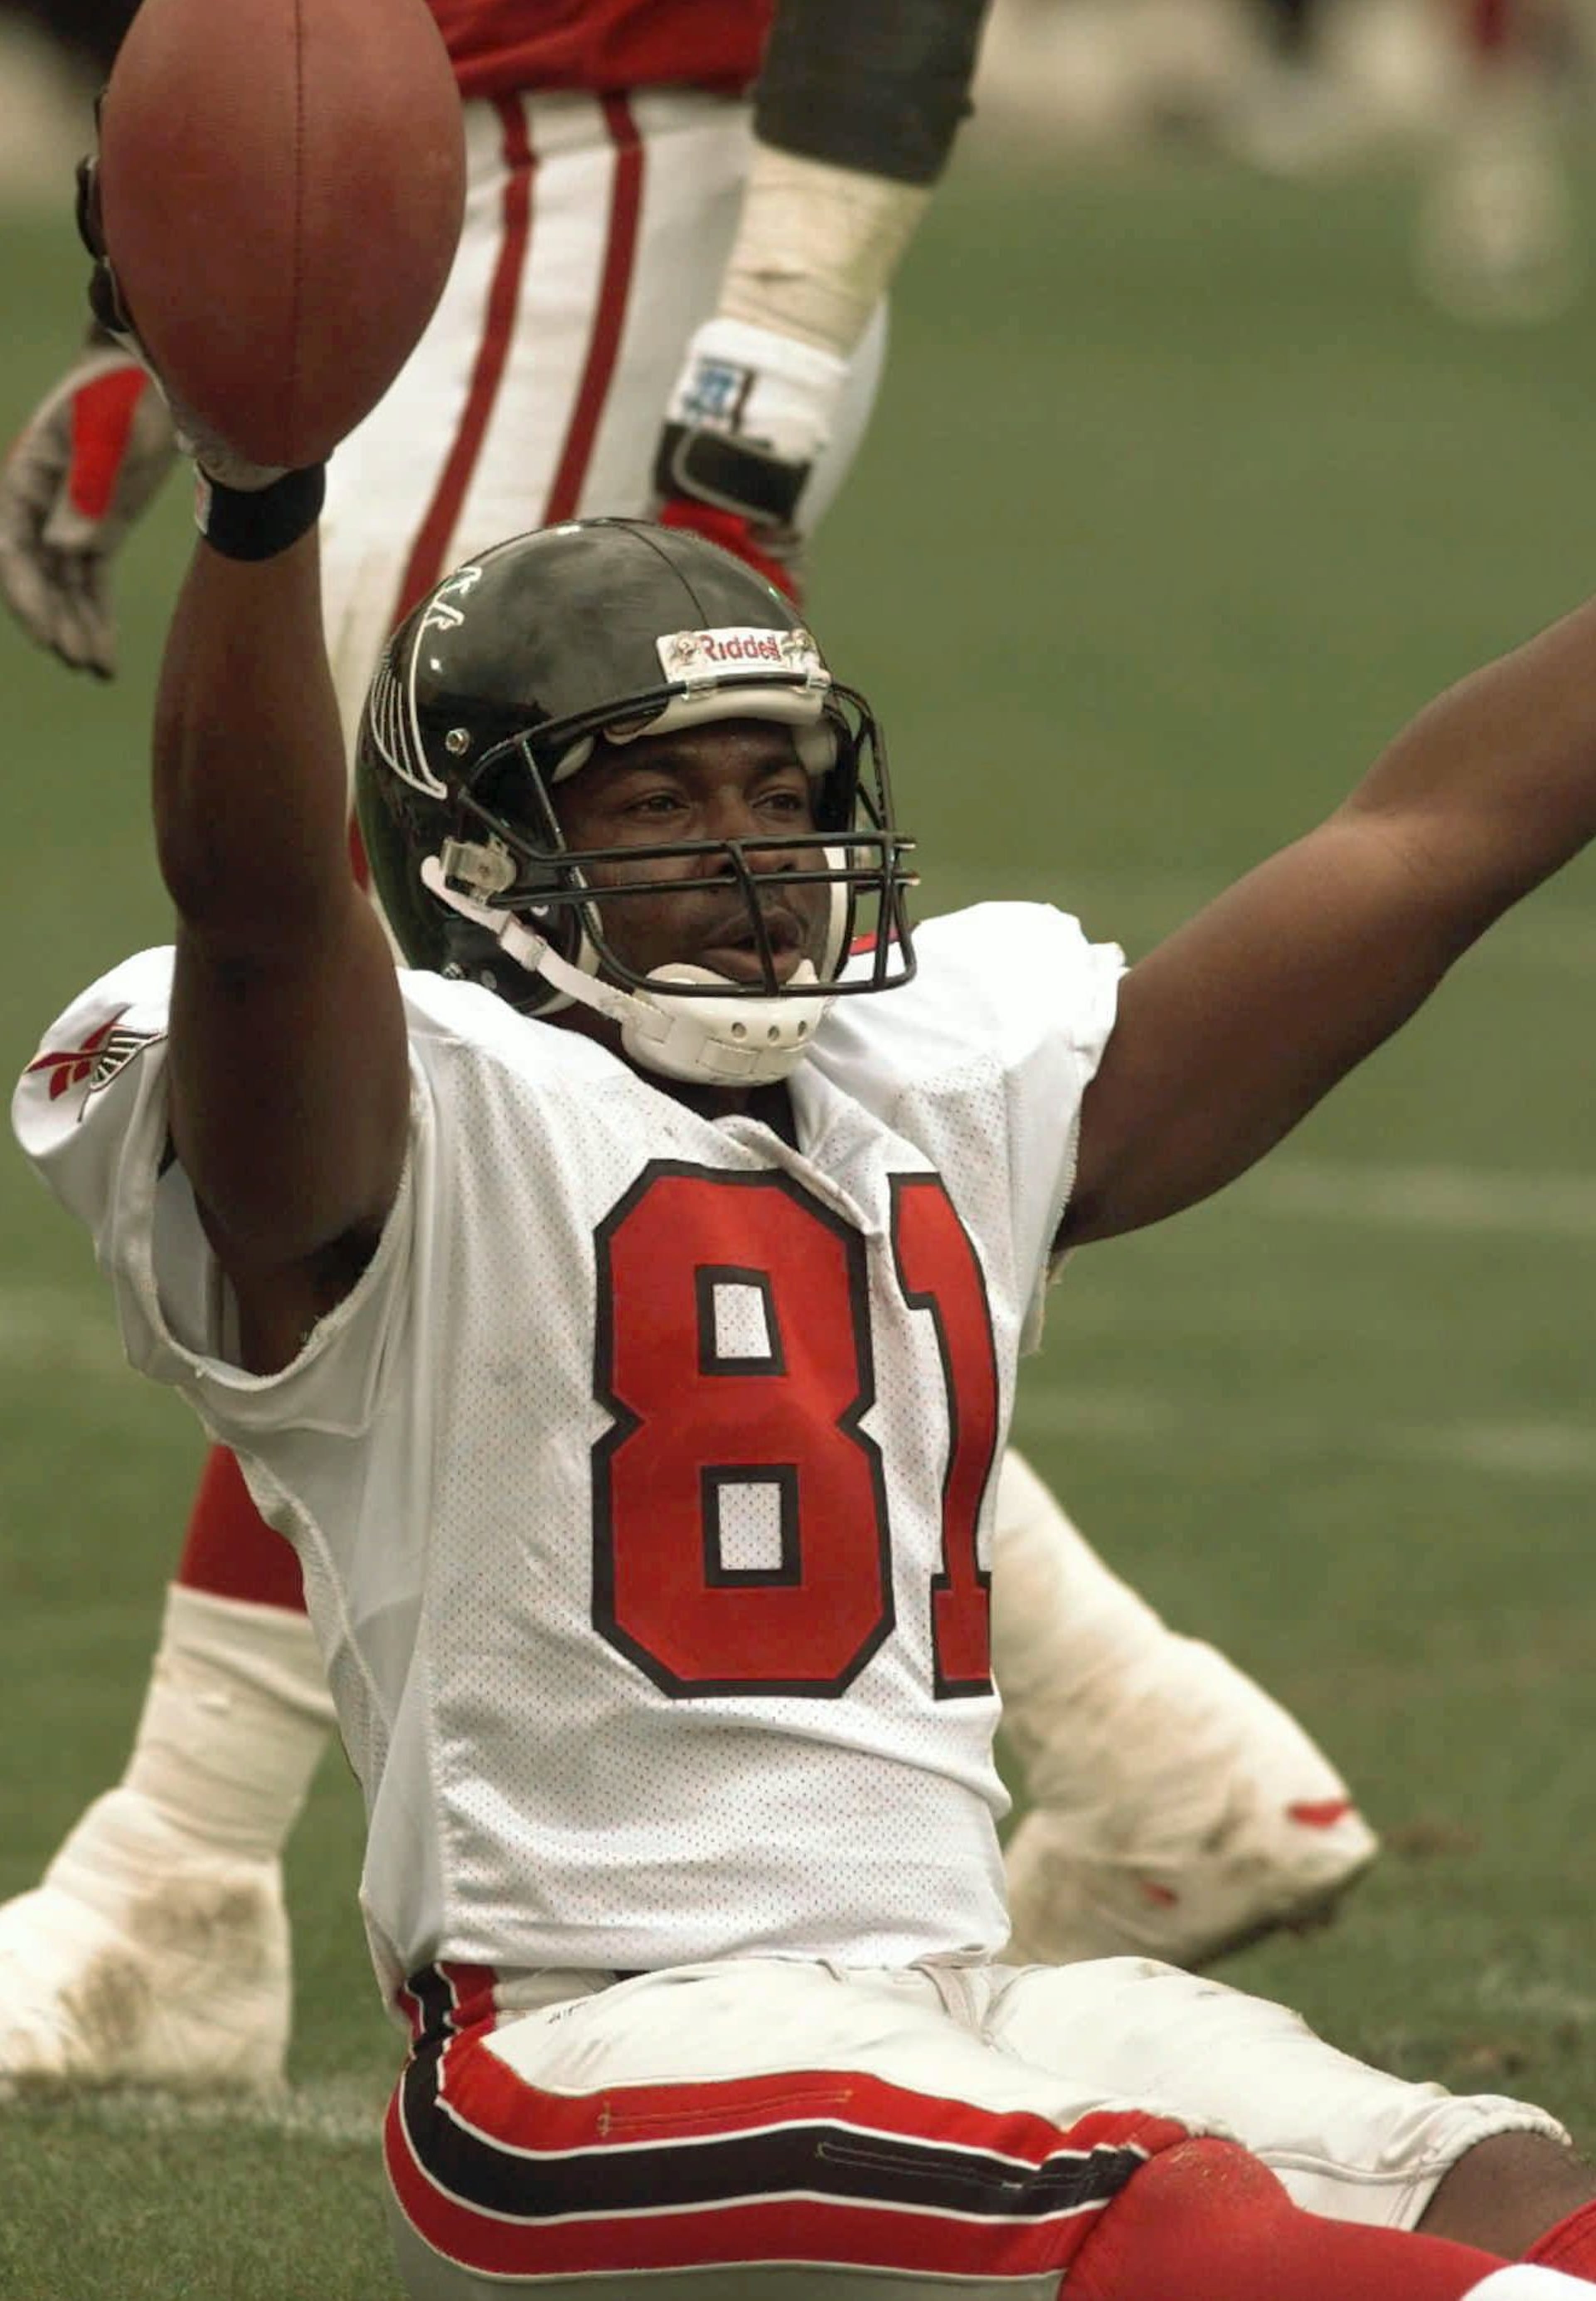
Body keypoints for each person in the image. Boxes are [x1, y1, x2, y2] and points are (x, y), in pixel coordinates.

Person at [15, 256, 1596, 2291]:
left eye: (782, 787)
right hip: (595, 2052)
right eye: (658, 795)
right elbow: (250, 915)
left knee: (1502, 2184)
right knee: (1192, 2227)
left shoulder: (921, 1076)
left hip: (953, 1991)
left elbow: (1425, 838)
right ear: (477, 853)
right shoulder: (413, 1121)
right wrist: (257, 504)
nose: (752, 849)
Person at [0, 0, 1375, 2095]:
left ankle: (181, 1873)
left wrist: (778, 335)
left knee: (449, 1040)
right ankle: (1156, 1734)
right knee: (551, 1100)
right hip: (455, 167)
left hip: (608, 157)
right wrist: (170, 311)